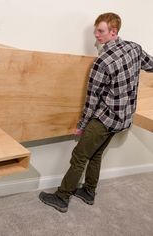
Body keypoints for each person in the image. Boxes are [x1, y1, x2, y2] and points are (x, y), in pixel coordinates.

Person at [39, 12, 153, 213]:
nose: (96, 35)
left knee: (79, 156)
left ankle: (62, 197)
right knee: (97, 153)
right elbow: (151, 65)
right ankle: (89, 191)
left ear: (113, 32)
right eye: (95, 30)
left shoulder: (103, 62)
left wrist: (81, 126)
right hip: (123, 120)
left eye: (100, 31)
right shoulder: (135, 48)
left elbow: (92, 101)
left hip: (105, 119)